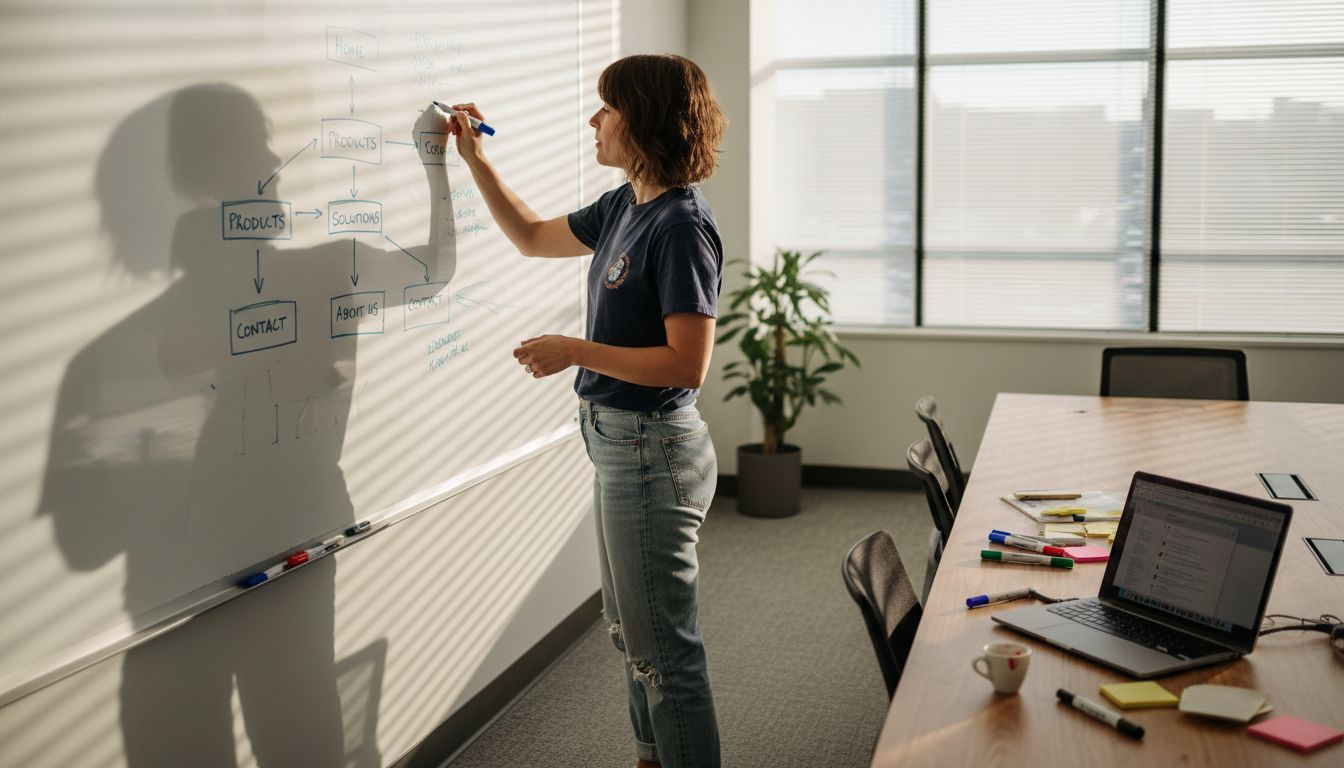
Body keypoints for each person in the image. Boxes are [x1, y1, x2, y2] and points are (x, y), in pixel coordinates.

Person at [438, 53, 727, 768]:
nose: (593, 120)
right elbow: (533, 237)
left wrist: (576, 349)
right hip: (616, 444)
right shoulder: (625, 205)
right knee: (633, 635)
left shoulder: (680, 226)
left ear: (646, 119)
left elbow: (686, 365)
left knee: (665, 649)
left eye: (607, 107)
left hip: (652, 449)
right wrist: (474, 160)